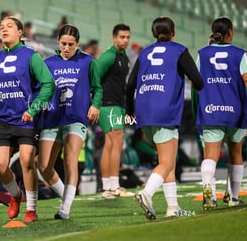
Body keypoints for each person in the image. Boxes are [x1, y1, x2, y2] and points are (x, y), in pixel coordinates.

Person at [125, 16, 204, 220]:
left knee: (165, 160)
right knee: (168, 162)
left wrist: (130, 110)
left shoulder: (144, 53)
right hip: (165, 110)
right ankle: (146, 193)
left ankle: (173, 207)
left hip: (143, 112)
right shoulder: (179, 50)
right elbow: (197, 80)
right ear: (173, 32)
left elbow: (130, 84)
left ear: (153, 34)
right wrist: (197, 85)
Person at [0, 16, 55, 222]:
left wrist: (34, 108)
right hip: (3, 121)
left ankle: (31, 209)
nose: (4, 30)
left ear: (20, 32)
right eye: (1, 27)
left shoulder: (32, 56)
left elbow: (49, 84)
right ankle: (15, 195)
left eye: (9, 27)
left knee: (26, 161)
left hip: (26, 119)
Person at [37, 24, 102, 219]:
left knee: (70, 159)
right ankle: (66, 194)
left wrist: (95, 105)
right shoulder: (47, 63)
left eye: (71, 44)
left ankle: (65, 207)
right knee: (44, 166)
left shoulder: (88, 61)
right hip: (52, 118)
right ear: (58, 42)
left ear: (78, 44)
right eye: (64, 44)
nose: (67, 48)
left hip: (76, 118)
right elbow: (40, 89)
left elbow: (98, 88)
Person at [195, 17, 247, 210]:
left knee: (211, 154)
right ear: (230, 33)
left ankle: (209, 192)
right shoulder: (241, 55)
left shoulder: (203, 54)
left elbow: (195, 82)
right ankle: (232, 196)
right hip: (236, 111)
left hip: (211, 110)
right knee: (236, 152)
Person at [97, 23, 134, 199]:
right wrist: (95, 104)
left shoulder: (123, 56)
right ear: (114, 38)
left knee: (110, 144)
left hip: (117, 105)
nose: (125, 40)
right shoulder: (108, 57)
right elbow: (94, 79)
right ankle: (114, 186)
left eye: (127, 37)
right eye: (122, 37)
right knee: (116, 143)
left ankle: (107, 187)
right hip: (108, 104)